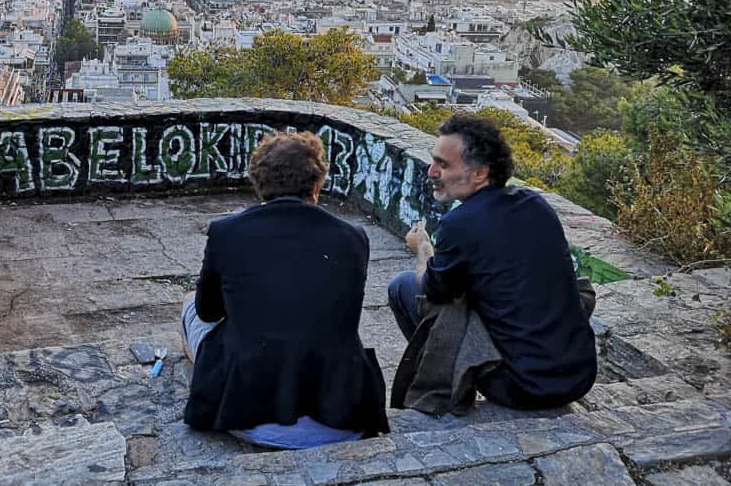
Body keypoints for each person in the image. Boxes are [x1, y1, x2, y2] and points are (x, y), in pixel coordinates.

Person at [182, 131, 388, 448]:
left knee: (188, 308)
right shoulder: (353, 237)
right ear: (317, 185)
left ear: (259, 184)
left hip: (247, 419)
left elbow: (207, 310)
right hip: (343, 418)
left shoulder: (227, 231)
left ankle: (209, 382)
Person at [387, 113, 597, 410]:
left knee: (403, 286)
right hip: (578, 376)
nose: (432, 171)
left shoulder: (459, 224)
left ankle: (449, 382)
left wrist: (422, 247)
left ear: (480, 174)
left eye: (443, 165)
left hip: (521, 388)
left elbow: (430, 291)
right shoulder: (536, 205)